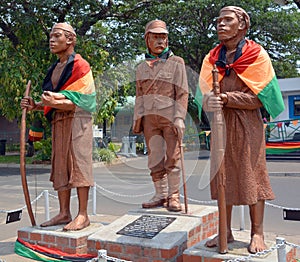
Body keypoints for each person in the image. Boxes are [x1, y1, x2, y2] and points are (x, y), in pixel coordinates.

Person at [199, 6, 284, 253]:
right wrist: (209, 101)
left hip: (248, 126)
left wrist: (226, 98)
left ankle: (257, 232)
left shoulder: (256, 55)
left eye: (227, 20)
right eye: (218, 20)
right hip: (220, 125)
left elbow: (261, 99)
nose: (220, 24)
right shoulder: (212, 58)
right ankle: (224, 231)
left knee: (252, 177)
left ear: (242, 25)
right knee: (222, 176)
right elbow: (203, 95)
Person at [21, 22, 96, 231]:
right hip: (59, 123)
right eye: (50, 38)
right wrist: (35, 105)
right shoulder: (54, 69)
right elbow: (50, 101)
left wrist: (55, 100)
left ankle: (83, 214)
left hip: (78, 122)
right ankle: (64, 212)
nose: (51, 41)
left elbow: (86, 100)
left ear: (70, 39)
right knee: (60, 165)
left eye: (56, 36)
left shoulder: (81, 66)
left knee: (78, 165)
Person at [133, 20, 189, 212]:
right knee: (154, 158)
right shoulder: (141, 67)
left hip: (170, 117)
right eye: (155, 37)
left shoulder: (177, 63)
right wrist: (138, 122)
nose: (160, 41)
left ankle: (174, 196)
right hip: (150, 119)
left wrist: (180, 117)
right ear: (147, 39)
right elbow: (139, 96)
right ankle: (160, 194)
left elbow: (182, 93)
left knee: (173, 157)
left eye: (163, 37)